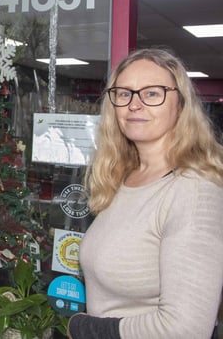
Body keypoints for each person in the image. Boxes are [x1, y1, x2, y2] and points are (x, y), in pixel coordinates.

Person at [67, 48, 223, 339]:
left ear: (181, 104)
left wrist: (81, 328)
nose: (134, 105)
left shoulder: (193, 191)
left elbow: (186, 329)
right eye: (124, 93)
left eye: (152, 94)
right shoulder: (123, 176)